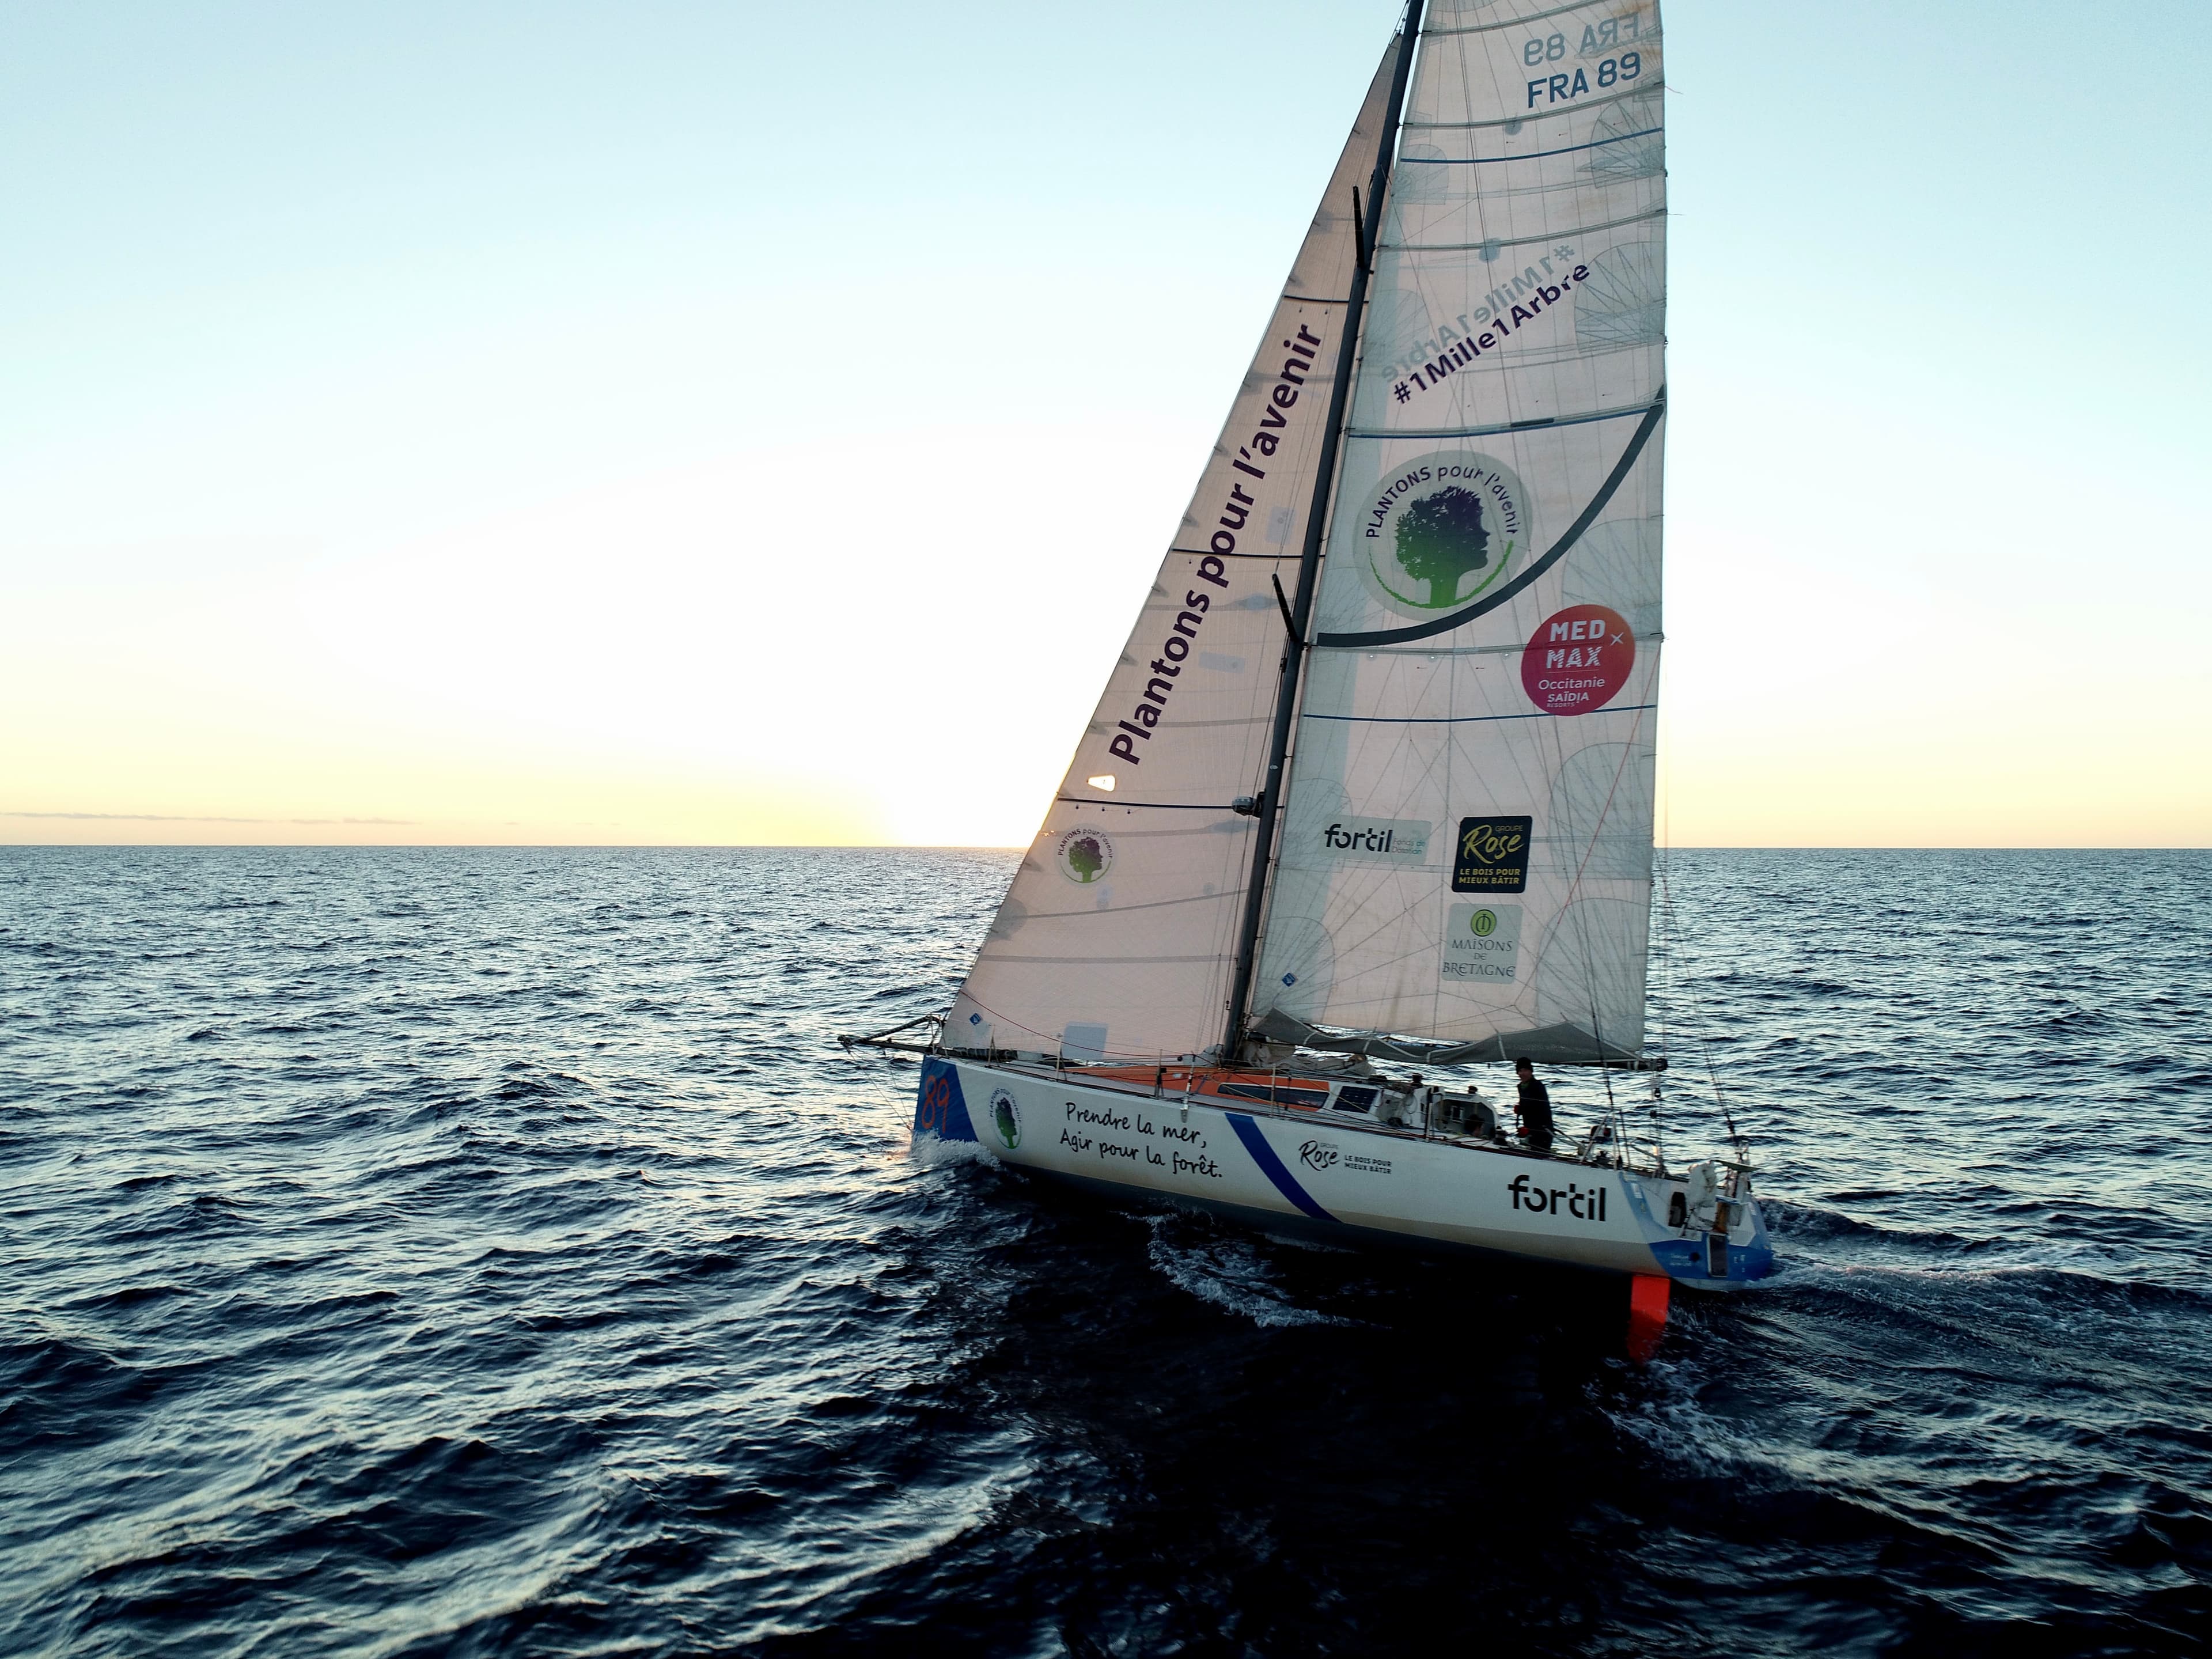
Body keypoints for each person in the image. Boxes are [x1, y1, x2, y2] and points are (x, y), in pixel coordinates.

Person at [1513, 1057, 1554, 1153]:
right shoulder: (1521, 1087)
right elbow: (1528, 1107)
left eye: (1525, 1070)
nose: (1523, 1074)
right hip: (1529, 1129)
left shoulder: (1538, 1086)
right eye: (1520, 1071)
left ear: (1531, 1072)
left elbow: (1541, 1110)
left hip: (1543, 1130)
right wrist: (1520, 1109)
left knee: (1540, 1154)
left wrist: (1530, 1130)